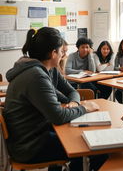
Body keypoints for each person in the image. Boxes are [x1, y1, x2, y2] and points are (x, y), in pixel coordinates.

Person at [3, 27, 107, 171]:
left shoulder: (45, 69)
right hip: (30, 146)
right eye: (61, 51)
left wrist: (74, 102)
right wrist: (84, 107)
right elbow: (58, 116)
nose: (63, 55)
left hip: (37, 134)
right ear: (53, 53)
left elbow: (71, 92)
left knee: (83, 139)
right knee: (96, 148)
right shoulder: (36, 75)